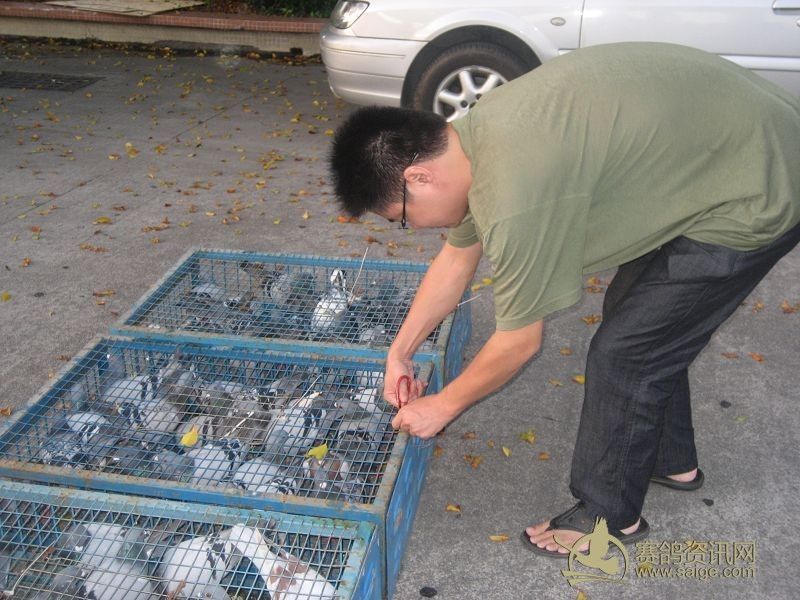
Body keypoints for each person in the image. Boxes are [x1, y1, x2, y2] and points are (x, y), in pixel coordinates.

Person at [328, 42, 800, 558]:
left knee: (628, 352)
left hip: (762, 180)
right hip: (724, 146)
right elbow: (456, 260)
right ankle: (671, 460)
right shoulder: (474, 139)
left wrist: (441, 406)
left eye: (401, 217)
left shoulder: (514, 194)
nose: (412, 226)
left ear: (419, 177)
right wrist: (400, 352)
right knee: (643, 319)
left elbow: (518, 343)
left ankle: (608, 516)